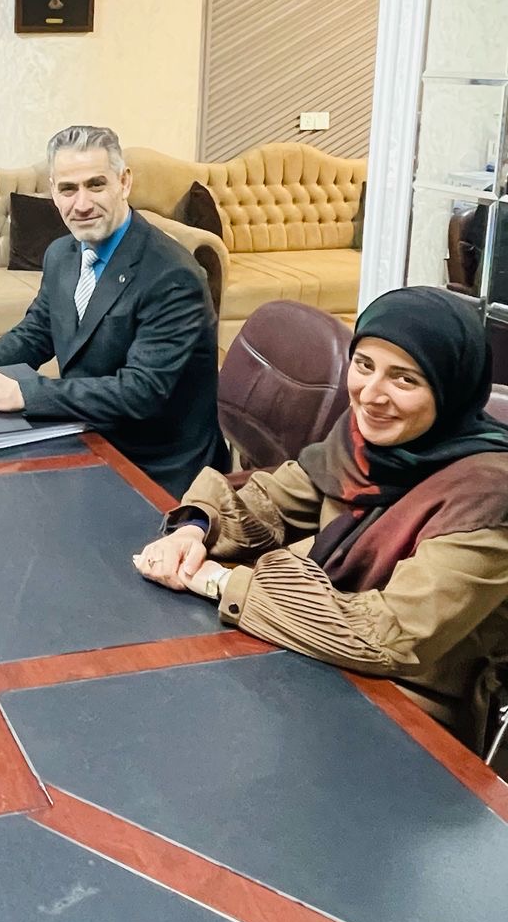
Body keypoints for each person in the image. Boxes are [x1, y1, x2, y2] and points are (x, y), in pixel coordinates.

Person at [134, 286, 508, 751]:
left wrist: (222, 583)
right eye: (364, 365)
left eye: (404, 379)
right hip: (307, 655)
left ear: (451, 388)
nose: (371, 395)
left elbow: (389, 638)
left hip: (408, 713)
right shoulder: (365, 439)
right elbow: (273, 499)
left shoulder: (488, 497)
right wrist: (194, 529)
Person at [0, 124, 226, 497]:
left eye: (96, 185)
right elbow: (38, 331)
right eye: (68, 189)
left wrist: (24, 393)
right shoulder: (62, 253)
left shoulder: (172, 275)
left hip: (157, 468)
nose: (81, 205)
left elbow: (140, 392)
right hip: (88, 434)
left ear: (124, 182)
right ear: (53, 190)